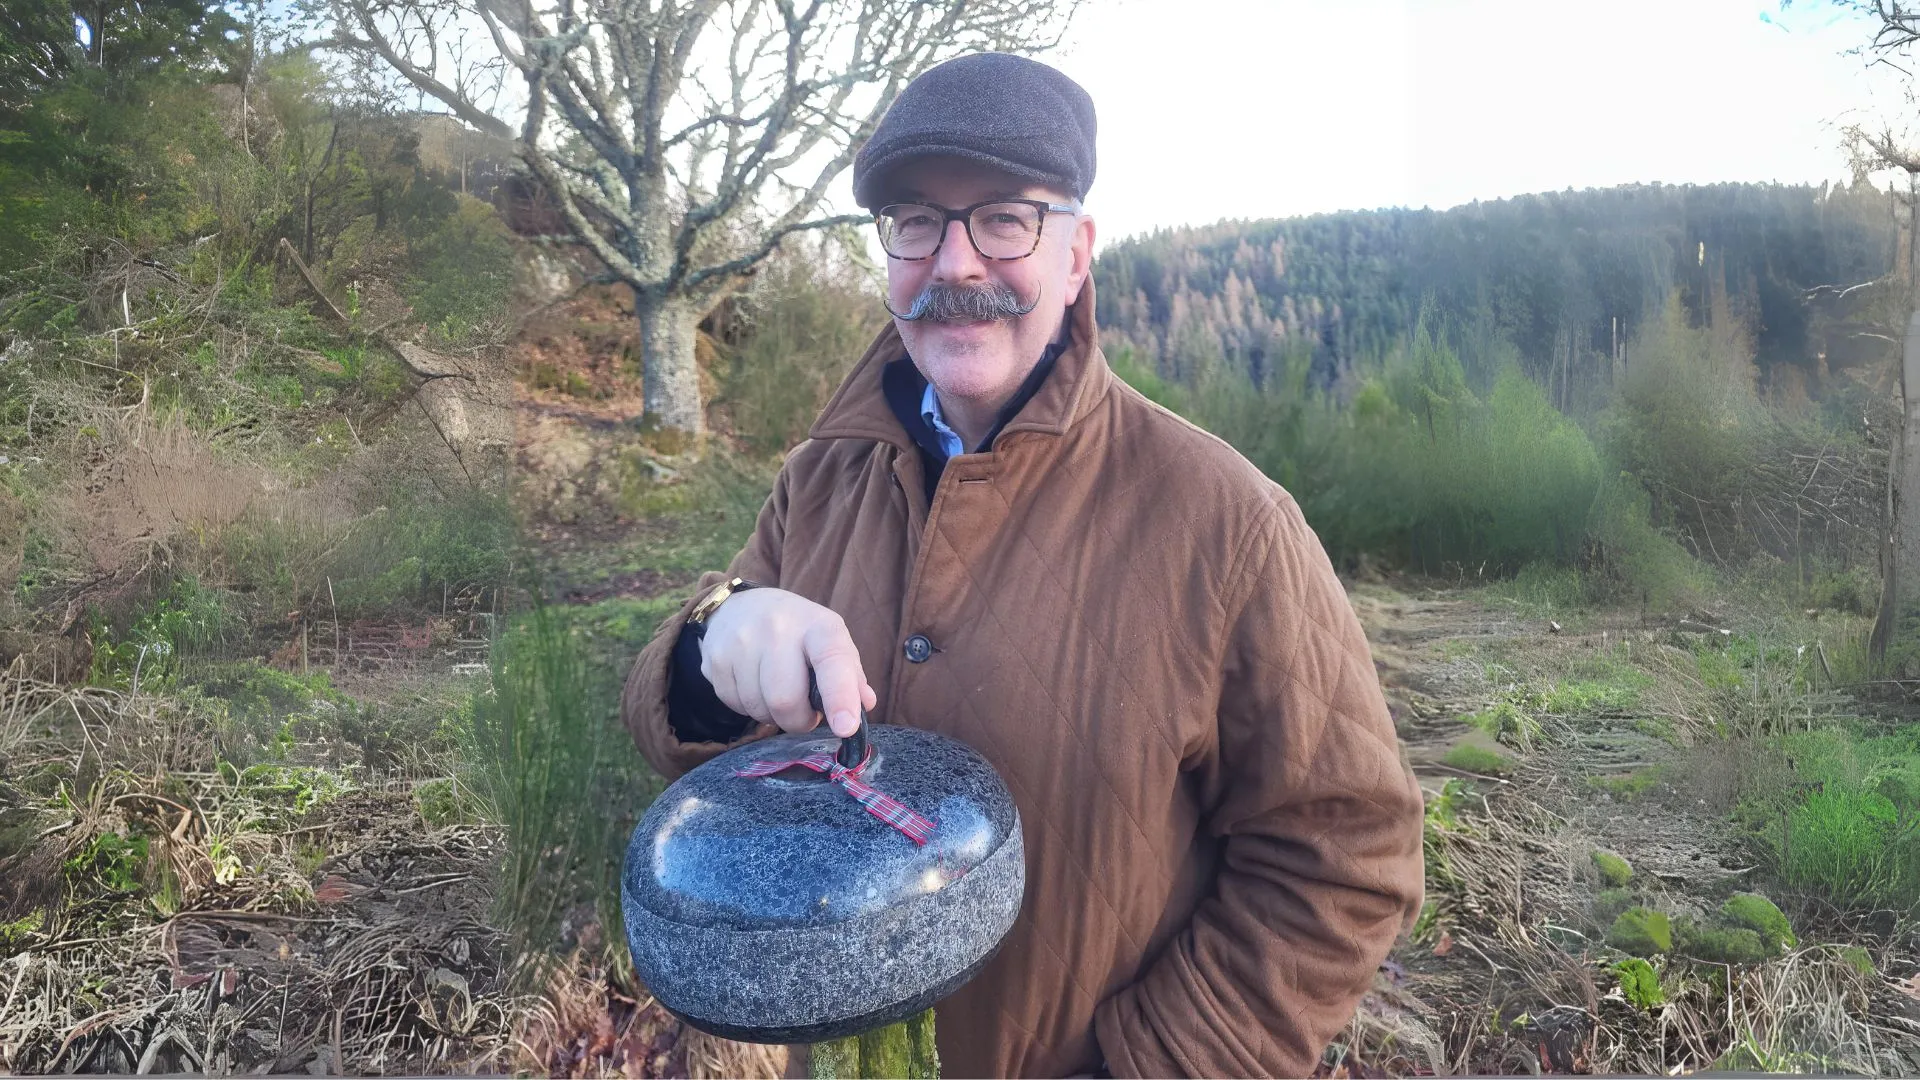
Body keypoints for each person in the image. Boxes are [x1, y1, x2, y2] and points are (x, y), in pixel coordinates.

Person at [622, 51, 1426, 1079]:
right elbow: (687, 737)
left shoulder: (1229, 525)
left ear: (1078, 253)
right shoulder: (821, 480)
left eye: (1005, 217)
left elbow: (1346, 856)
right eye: (916, 220)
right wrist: (709, 643)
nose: (954, 264)